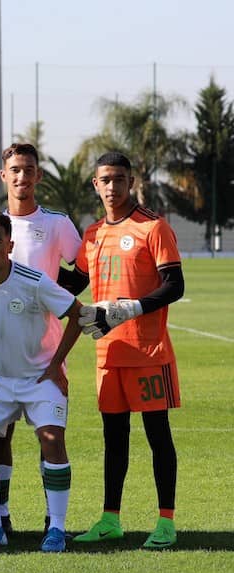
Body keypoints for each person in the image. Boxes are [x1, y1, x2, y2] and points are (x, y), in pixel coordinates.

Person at [0, 210, 83, 552]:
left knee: (52, 439)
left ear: (9, 245)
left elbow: (78, 315)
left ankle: (56, 527)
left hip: (40, 377)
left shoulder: (33, 281)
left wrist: (55, 366)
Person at [71, 151, 183, 549]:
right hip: (109, 354)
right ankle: (110, 519)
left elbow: (175, 285)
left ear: (130, 181)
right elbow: (73, 283)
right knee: (113, 439)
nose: (113, 187)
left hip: (148, 351)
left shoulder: (153, 227)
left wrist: (132, 308)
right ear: (96, 185)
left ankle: (166, 521)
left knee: (158, 436)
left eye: (119, 179)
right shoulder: (92, 234)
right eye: (106, 180)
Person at [0, 142, 84, 533]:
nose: (21, 177)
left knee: (50, 435)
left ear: (38, 176)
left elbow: (82, 272)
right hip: (0, 350)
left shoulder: (58, 224)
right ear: (3, 176)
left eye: (28, 170)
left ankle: (54, 519)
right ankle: (1, 516)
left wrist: (45, 289)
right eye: (14, 170)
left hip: (47, 350)